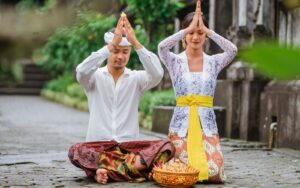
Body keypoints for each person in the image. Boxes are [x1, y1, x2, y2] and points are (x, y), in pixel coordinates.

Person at [68, 14, 175, 184]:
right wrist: (111, 45)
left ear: (130, 52)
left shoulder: (136, 79)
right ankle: (130, 170)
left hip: (128, 147)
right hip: (99, 147)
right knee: (76, 151)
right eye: (116, 51)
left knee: (167, 147)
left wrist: (136, 43)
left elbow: (157, 74)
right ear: (109, 49)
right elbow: (81, 71)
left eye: (125, 51)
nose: (120, 56)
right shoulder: (93, 78)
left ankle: (104, 171)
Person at [158, 0, 237, 183]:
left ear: (206, 36)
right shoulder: (174, 61)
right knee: (180, 174)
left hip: (206, 125)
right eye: (191, 33)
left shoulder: (214, 62)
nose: (195, 37)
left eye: (200, 33)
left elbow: (232, 50)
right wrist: (186, 29)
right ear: (185, 35)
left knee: (215, 175)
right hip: (181, 126)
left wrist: (208, 30)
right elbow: (162, 47)